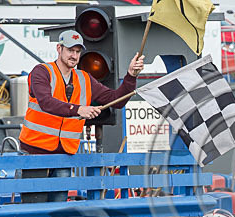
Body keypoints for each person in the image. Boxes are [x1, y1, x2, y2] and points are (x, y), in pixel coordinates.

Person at [18, 30, 144, 202]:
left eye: (78, 51)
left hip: (65, 154)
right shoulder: (42, 71)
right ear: (59, 48)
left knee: (58, 208)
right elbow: (46, 102)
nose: (74, 55)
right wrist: (78, 110)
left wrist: (131, 76)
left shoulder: (84, 78)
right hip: (35, 151)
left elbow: (116, 100)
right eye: (70, 50)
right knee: (33, 206)